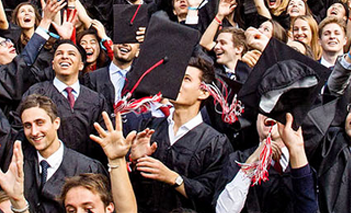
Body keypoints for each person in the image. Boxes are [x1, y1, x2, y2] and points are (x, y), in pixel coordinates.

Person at [129, 57, 232, 213]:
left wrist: (173, 178)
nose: (176, 83)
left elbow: (211, 196)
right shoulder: (149, 127)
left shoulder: (215, 143)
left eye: (186, 79)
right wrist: (134, 162)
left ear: (204, 92)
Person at [18, 40, 109, 156]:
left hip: (85, 169)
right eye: (59, 54)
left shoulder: (96, 100)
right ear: (53, 64)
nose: (64, 57)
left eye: (71, 54)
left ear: (81, 65)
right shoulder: (36, 93)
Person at [18, 94, 106, 213]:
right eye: (28, 125)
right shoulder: (20, 165)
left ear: (56, 123)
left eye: (40, 123)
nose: (34, 132)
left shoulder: (87, 167)